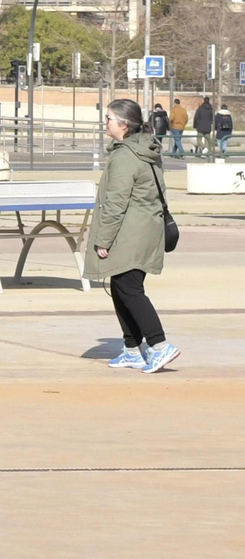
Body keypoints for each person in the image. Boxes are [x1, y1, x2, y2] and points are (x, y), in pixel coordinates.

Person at [88, 98, 180, 374]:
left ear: (124, 125)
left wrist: (103, 239)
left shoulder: (126, 156)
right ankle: (131, 349)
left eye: (109, 119)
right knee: (120, 287)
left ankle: (159, 344)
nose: (105, 123)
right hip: (143, 228)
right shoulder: (143, 149)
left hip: (132, 231)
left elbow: (116, 203)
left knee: (129, 289)